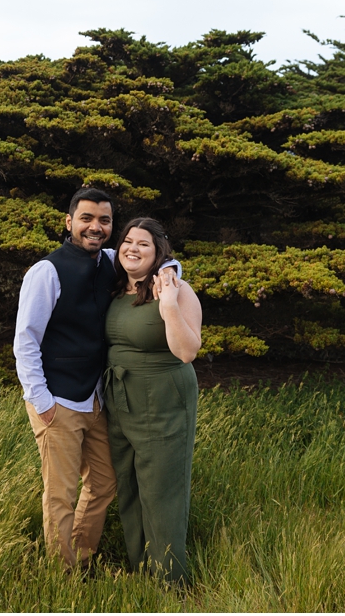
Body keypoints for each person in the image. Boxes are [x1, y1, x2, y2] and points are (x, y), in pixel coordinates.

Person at [13, 189, 181, 570]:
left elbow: (154, 256)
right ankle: (64, 571)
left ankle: (83, 555)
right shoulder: (47, 271)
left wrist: (172, 271)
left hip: (96, 398)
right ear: (68, 221)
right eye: (87, 218)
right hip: (57, 399)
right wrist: (42, 402)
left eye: (104, 221)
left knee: (104, 484)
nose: (96, 227)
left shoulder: (110, 260)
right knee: (61, 494)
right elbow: (25, 341)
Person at [103, 217, 202, 584]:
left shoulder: (176, 289)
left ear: (158, 251)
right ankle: (140, 569)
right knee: (128, 487)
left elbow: (188, 351)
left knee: (162, 493)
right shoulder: (117, 287)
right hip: (121, 401)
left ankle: (170, 581)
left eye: (143, 244)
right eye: (127, 241)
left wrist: (170, 305)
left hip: (163, 400)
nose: (132, 248)